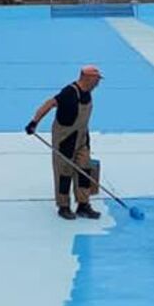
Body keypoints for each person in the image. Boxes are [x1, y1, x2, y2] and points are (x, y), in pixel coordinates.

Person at [25, 66, 104, 220]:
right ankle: (64, 206)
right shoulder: (69, 93)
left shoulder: (88, 94)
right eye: (96, 80)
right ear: (87, 78)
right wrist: (34, 122)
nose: (98, 83)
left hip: (82, 138)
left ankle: (83, 205)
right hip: (65, 139)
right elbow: (49, 104)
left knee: (84, 170)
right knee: (64, 173)